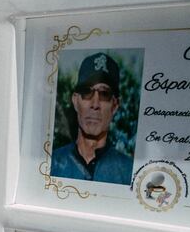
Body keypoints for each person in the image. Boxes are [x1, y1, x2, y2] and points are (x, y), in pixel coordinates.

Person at [50, 52, 133, 185]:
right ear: (76, 101)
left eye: (104, 94)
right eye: (86, 92)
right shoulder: (50, 163)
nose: (95, 104)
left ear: (115, 105)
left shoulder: (129, 172)